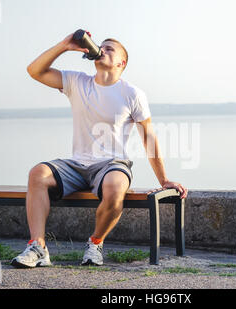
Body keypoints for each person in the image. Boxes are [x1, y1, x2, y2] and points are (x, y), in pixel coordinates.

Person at [11, 31, 188, 268]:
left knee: (115, 186)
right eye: (100, 46)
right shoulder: (77, 82)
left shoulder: (132, 93)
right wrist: (65, 46)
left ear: (120, 63)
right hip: (77, 165)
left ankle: (95, 243)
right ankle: (38, 247)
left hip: (112, 164)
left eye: (109, 48)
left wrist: (164, 179)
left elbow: (148, 137)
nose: (101, 49)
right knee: (37, 173)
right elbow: (35, 71)